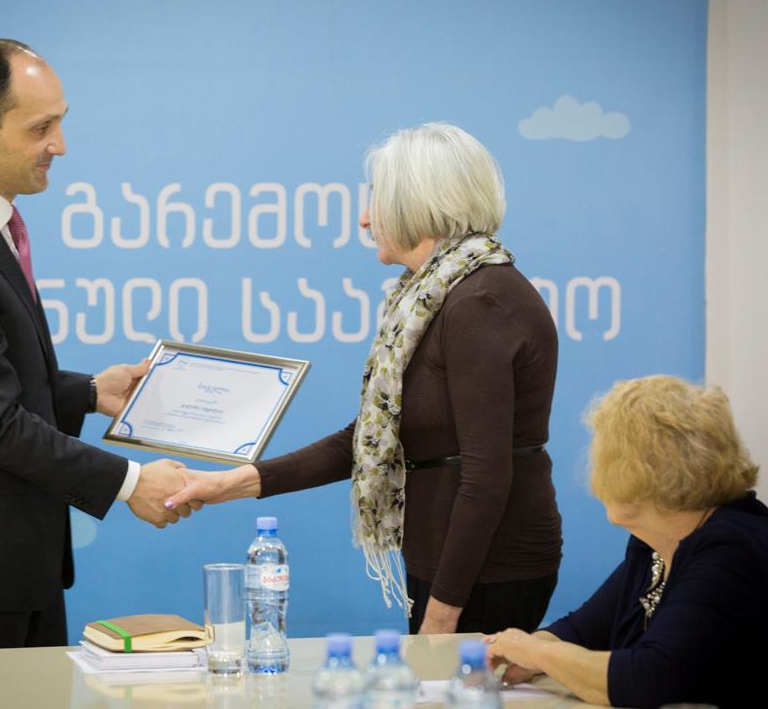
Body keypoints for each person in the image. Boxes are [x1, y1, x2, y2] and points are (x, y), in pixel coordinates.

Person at [167, 122, 562, 635]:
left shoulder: (479, 300)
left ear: (417, 203)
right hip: (449, 564)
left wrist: (441, 616)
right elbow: (366, 440)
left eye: (376, 199)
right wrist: (227, 485)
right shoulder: (429, 298)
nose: (364, 218)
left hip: (487, 572)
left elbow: (486, 475)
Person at [0, 39, 192, 651]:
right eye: (40, 128)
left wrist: (91, 392)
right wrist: (131, 482)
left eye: (60, 123)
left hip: (15, 564)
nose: (60, 145)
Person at [485, 375, 768, 708]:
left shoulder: (731, 550)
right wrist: (529, 653)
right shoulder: (656, 542)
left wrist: (535, 652)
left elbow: (650, 679)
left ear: (639, 471)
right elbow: (583, 629)